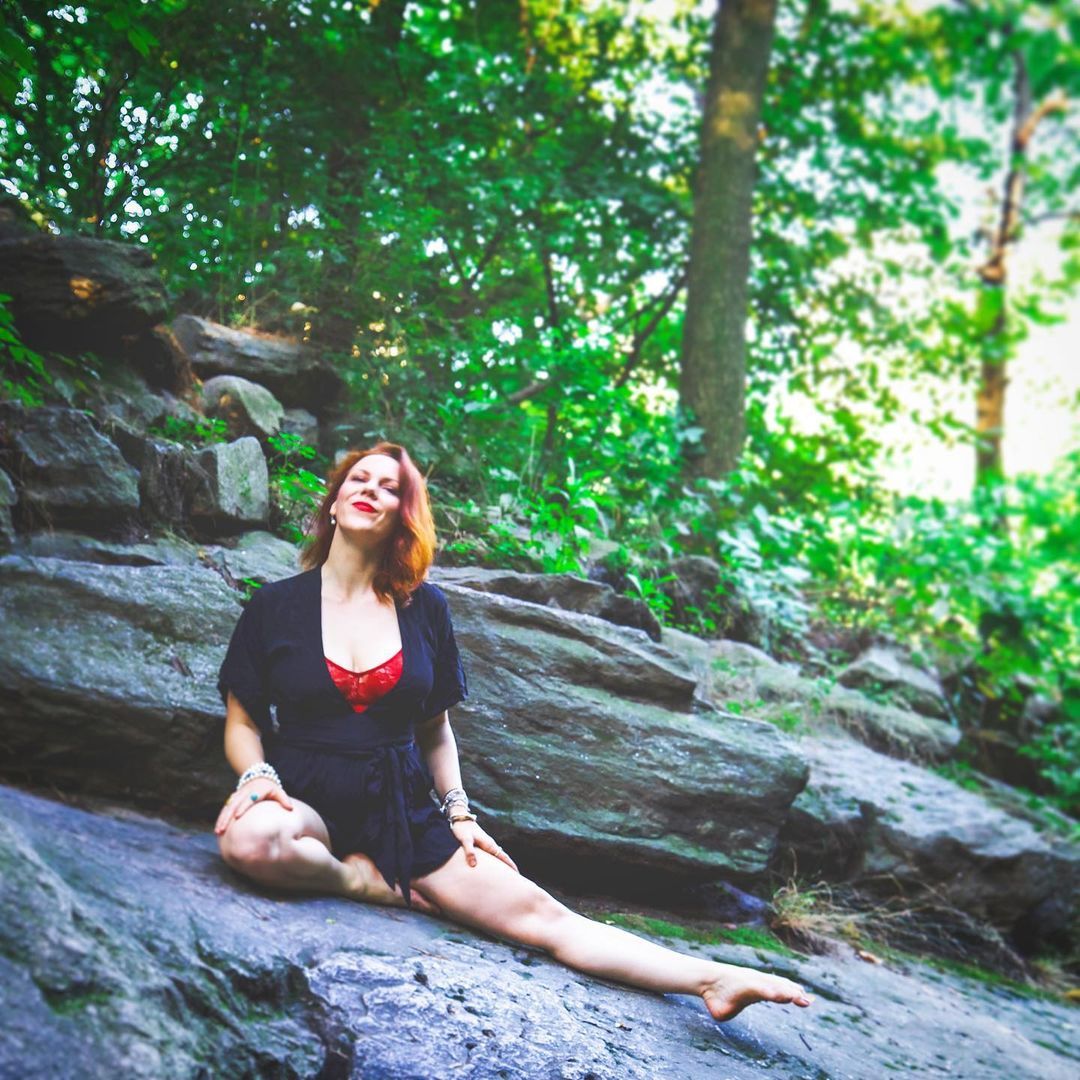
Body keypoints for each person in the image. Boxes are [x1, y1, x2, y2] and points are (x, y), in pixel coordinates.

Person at [213, 441, 814, 1023]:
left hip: (398, 809)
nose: (370, 490)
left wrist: (458, 811)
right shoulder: (274, 607)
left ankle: (710, 979)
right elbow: (243, 721)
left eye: (390, 488)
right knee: (252, 841)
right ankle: (364, 883)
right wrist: (258, 777)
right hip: (304, 790)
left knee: (541, 916)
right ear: (334, 502)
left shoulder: (425, 609)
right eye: (359, 479)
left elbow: (436, 731)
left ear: (404, 517)